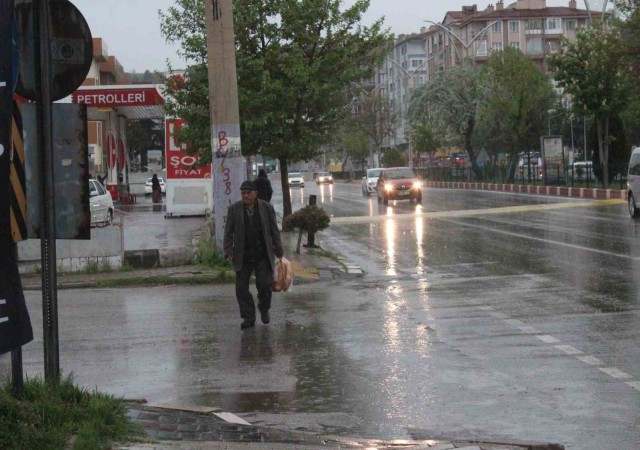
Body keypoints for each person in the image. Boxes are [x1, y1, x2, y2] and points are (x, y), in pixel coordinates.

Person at [224, 180, 283, 330]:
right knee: (241, 289)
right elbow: (228, 232)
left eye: (248, 193)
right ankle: (248, 317)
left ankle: (264, 308)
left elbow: (274, 230)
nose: (245, 195)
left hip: (262, 254)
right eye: (242, 193)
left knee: (264, 285)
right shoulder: (234, 209)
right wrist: (228, 250)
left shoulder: (266, 208)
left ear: (255, 193)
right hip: (242, 255)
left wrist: (279, 249)